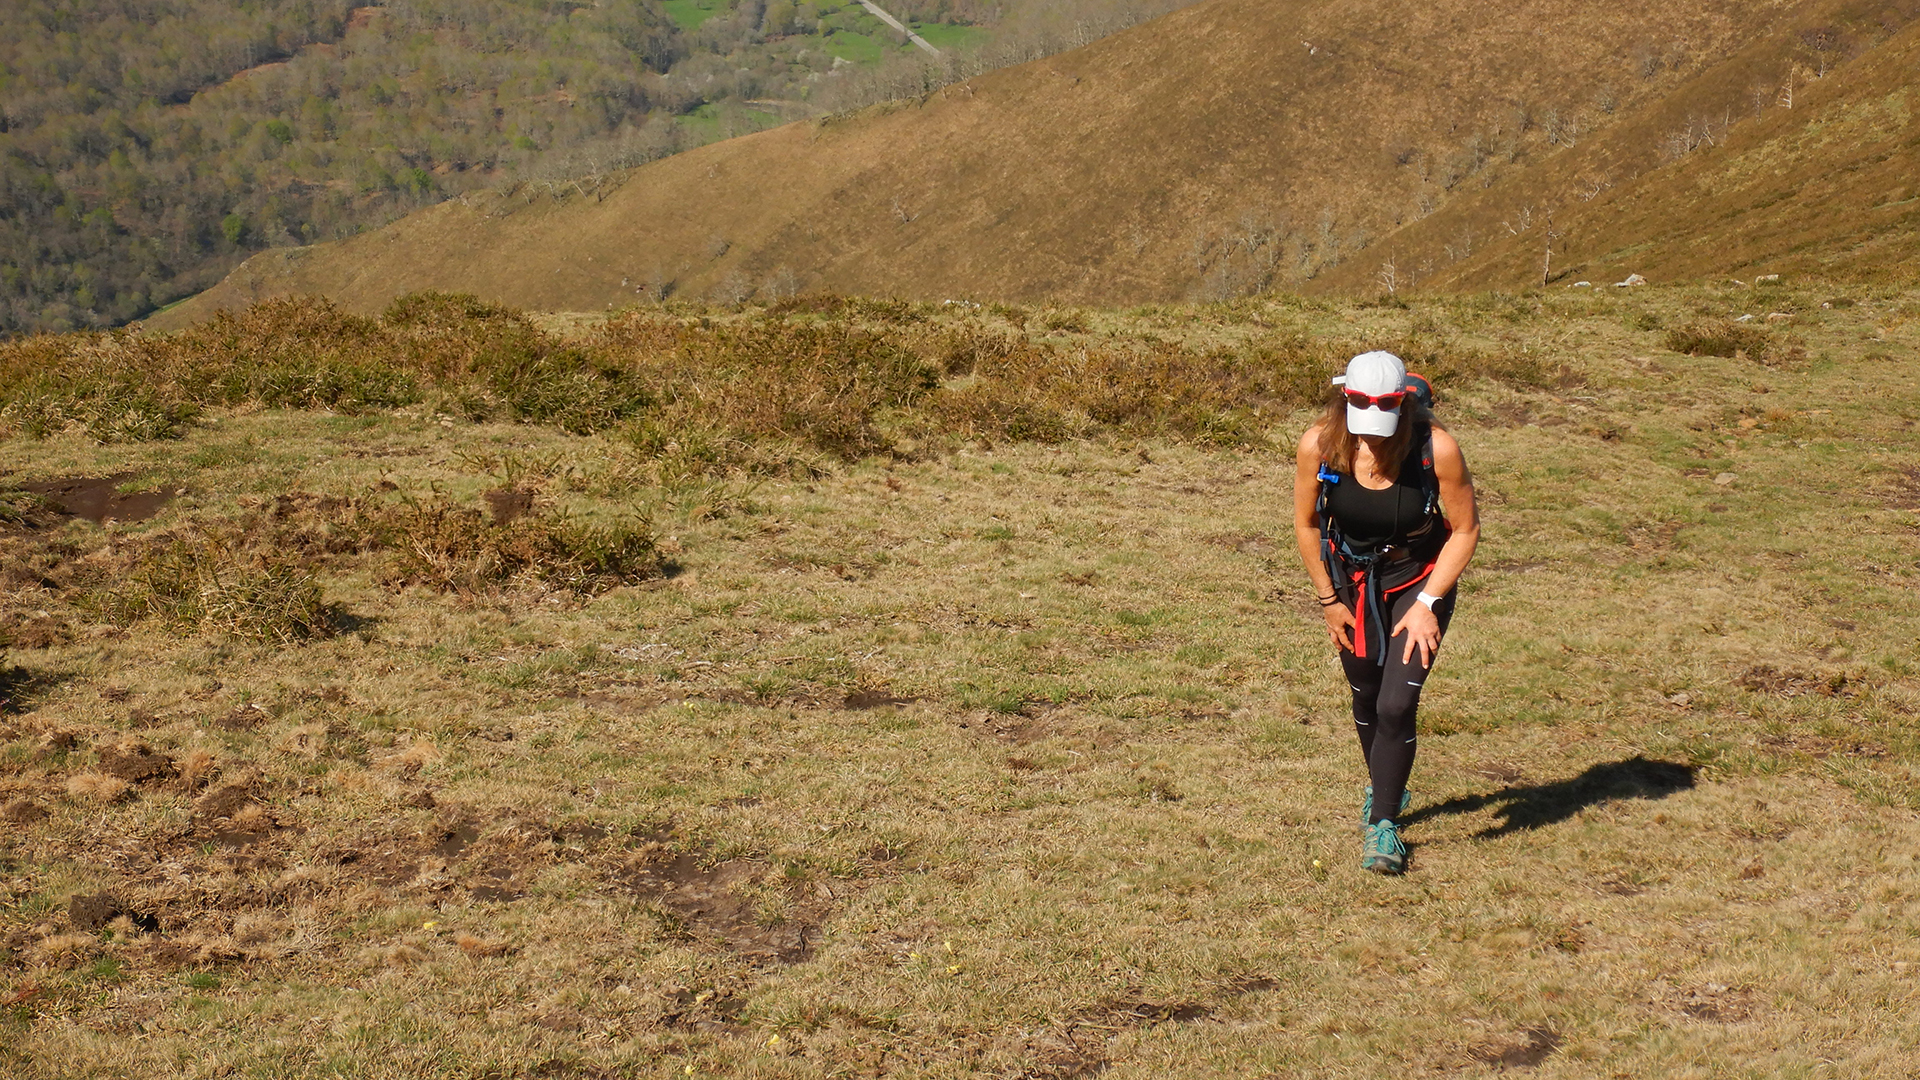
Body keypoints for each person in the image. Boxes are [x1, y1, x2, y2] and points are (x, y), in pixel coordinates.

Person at [1292, 351, 1479, 874]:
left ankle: (1385, 824)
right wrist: (1329, 600)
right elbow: (1307, 524)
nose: (1371, 438)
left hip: (1420, 581)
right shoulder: (1320, 444)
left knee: (1397, 703)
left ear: (1402, 406)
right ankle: (1383, 785)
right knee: (1366, 692)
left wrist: (1427, 604)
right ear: (1343, 399)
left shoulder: (1435, 449)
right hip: (1350, 584)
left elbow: (1464, 530)